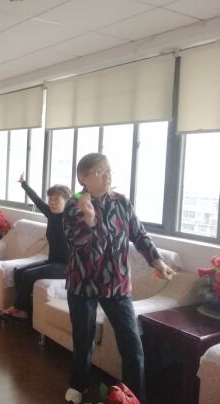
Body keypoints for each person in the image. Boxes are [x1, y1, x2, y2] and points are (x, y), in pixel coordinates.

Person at [63, 153, 175, 404]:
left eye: (109, 170)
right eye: (99, 172)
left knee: (132, 344)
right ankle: (79, 384)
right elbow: (77, 244)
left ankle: (134, 397)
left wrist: (157, 261)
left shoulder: (122, 202)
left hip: (117, 283)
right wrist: (90, 220)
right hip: (83, 283)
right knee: (83, 340)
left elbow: (139, 234)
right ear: (83, 178)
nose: (107, 176)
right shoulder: (74, 204)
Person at [1, 175, 70, 320]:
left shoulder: (70, 218)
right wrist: (24, 184)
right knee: (19, 272)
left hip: (66, 266)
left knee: (28, 275)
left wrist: (83, 194)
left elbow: (78, 198)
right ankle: (23, 310)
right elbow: (37, 199)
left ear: (66, 201)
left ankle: (17, 307)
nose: (52, 202)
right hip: (52, 261)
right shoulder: (51, 214)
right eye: (50, 199)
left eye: (56, 199)